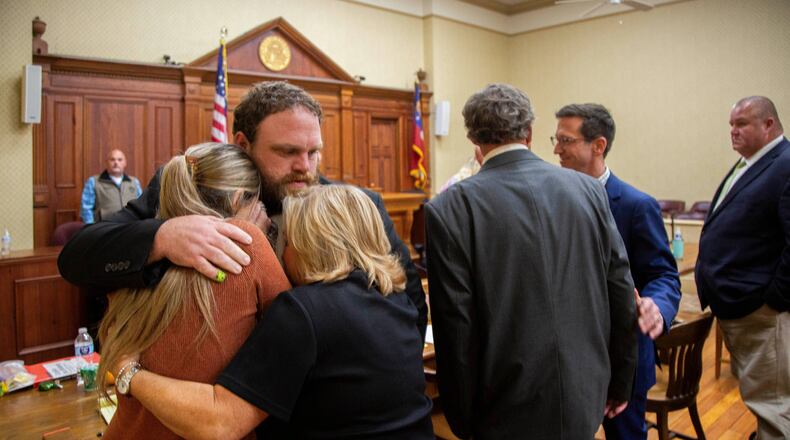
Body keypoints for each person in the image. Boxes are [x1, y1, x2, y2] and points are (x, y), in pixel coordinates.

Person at [57, 81, 427, 339]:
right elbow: (76, 257)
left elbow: (409, 306)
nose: (305, 166)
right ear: (242, 144)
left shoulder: (358, 208)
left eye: (313, 151)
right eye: (287, 152)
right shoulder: (190, 188)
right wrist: (163, 237)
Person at [109, 185, 434, 439]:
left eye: (286, 241)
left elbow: (219, 423)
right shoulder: (396, 300)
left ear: (310, 246)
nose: (281, 253)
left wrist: (129, 373)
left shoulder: (305, 311)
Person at [425, 83, 638, 439]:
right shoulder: (588, 190)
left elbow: (455, 325)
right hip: (585, 395)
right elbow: (620, 291)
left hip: (501, 405)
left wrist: (460, 417)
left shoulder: (450, 207)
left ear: (473, 138)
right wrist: (620, 382)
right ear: (529, 132)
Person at [97, 143, 290, 439]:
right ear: (239, 198)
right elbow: (294, 332)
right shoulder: (247, 241)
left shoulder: (143, 247)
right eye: (259, 204)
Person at [553, 103, 681, 440]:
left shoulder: (637, 206)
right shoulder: (552, 200)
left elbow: (664, 275)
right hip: (566, 360)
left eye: (566, 141)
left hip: (621, 358)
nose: (555, 149)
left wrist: (658, 305)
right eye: (556, 139)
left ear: (598, 146)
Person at [695, 96, 789, 440]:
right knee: (761, 399)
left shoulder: (785, 164)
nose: (733, 132)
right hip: (739, 306)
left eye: (742, 124)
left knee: (775, 407)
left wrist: (773, 300)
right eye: (731, 125)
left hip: (761, 311)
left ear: (769, 124)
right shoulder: (752, 162)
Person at [80, 149, 142, 224]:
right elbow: (86, 208)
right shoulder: (93, 181)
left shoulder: (134, 182)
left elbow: (140, 206)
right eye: (112, 160)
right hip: (105, 228)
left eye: (120, 160)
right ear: (106, 162)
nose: (116, 163)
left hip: (131, 227)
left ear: (125, 163)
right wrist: (91, 228)